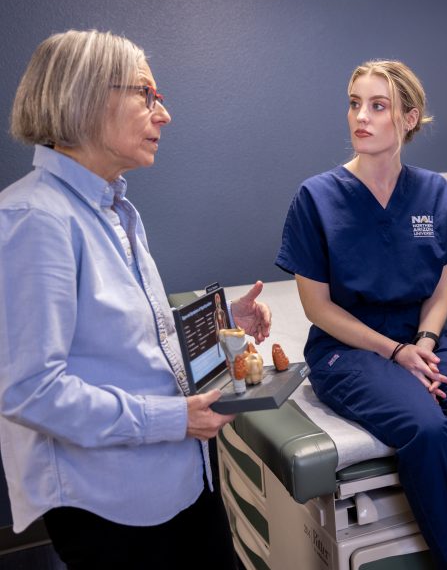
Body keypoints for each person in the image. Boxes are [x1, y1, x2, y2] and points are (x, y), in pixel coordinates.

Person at [0, 29, 272, 569]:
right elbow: (31, 391)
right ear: (84, 97)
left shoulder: (114, 209)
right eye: (146, 95)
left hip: (180, 479)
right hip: (115, 508)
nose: (163, 115)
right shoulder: (35, 220)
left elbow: (127, 336)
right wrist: (174, 420)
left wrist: (225, 326)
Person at [275, 59, 447, 569]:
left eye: (378, 106)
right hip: (346, 352)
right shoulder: (316, 198)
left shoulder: (433, 191)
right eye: (354, 104)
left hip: (424, 341)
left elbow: (439, 293)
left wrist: (425, 347)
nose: (360, 117)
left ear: (410, 119)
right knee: (427, 429)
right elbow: (316, 308)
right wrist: (396, 353)